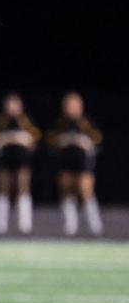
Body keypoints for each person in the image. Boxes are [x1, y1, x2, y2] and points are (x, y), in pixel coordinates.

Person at [47, 92, 103, 236]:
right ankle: (70, 225)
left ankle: (95, 225)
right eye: (70, 105)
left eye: (76, 105)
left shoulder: (86, 122)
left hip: (83, 163)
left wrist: (85, 143)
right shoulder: (60, 123)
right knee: (67, 191)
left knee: (86, 190)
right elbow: (50, 141)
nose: (73, 108)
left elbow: (97, 139)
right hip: (65, 163)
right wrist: (62, 142)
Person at [0, 93, 40, 234]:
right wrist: (5, 139)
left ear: (20, 106)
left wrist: (25, 139)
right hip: (4, 160)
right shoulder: (1, 121)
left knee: (23, 187)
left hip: (22, 160)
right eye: (9, 104)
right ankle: (0, 225)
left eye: (15, 104)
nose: (12, 108)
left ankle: (25, 224)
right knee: (3, 189)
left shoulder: (25, 120)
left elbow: (35, 136)